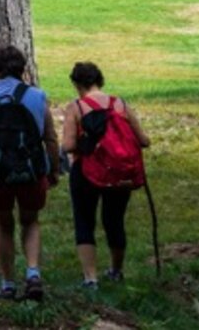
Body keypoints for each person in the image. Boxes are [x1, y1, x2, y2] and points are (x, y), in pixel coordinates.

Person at [0, 45, 61, 302]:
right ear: (23, 69)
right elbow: (50, 138)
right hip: (31, 171)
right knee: (30, 221)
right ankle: (32, 273)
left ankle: (8, 283)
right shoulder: (37, 97)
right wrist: (53, 170)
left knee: (3, 224)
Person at [61, 62, 151, 289]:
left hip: (86, 172)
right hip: (120, 174)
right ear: (100, 80)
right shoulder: (119, 104)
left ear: (76, 84)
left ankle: (90, 279)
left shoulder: (76, 108)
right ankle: (116, 271)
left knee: (84, 221)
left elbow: (69, 145)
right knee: (114, 220)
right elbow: (144, 141)